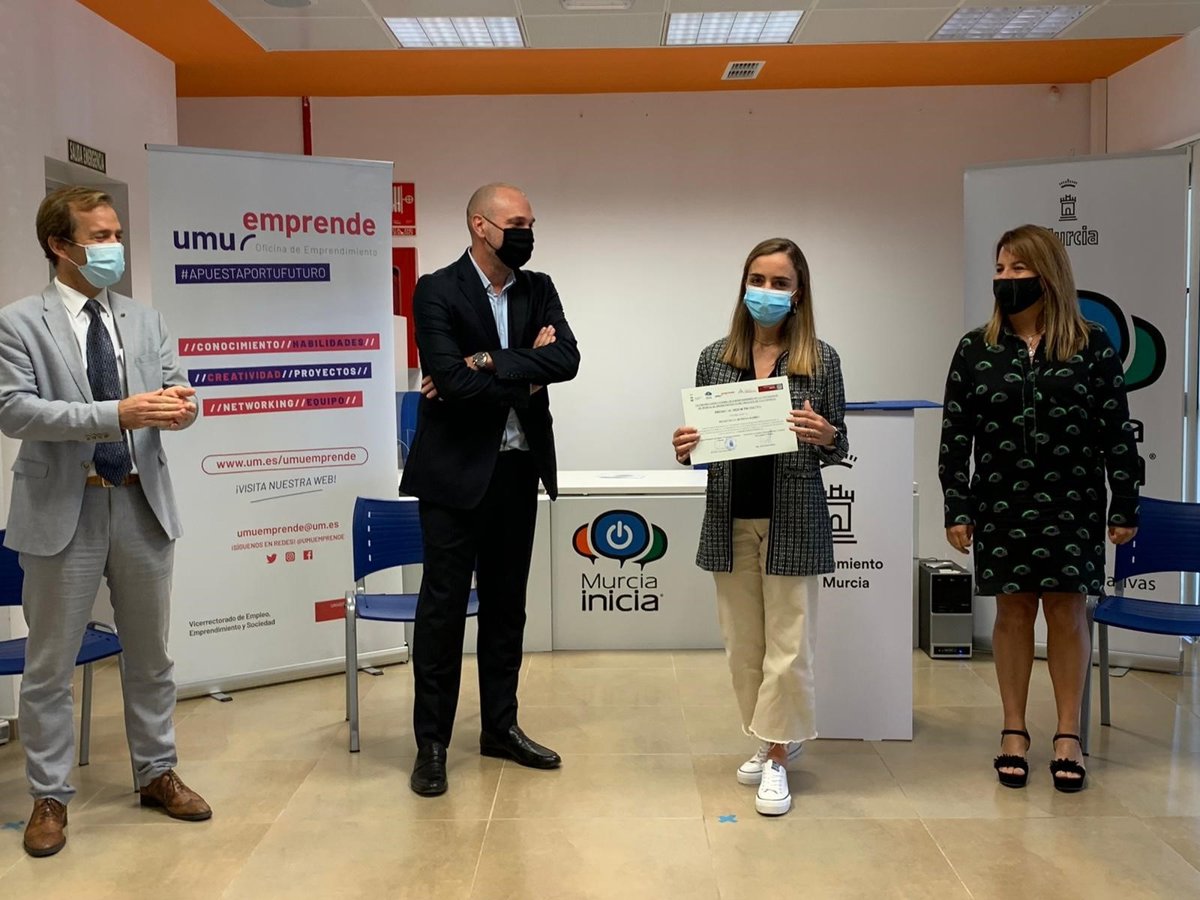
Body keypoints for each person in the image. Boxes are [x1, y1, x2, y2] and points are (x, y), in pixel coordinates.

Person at [0, 187, 209, 858]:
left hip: (142, 501)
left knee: (151, 656)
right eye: (99, 236)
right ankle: (49, 796)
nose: (114, 246)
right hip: (64, 508)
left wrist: (182, 407)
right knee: (49, 665)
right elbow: (15, 411)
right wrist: (114, 413)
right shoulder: (18, 323)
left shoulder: (144, 320)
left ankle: (157, 772)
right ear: (59, 246)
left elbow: (174, 391)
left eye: (117, 233)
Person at [939, 224, 1141, 793]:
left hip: (1074, 501)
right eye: (1000, 268)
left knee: (1068, 611)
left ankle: (1068, 734)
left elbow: (1116, 431)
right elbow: (956, 435)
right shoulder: (974, 348)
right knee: (1012, 612)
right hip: (1001, 500)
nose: (1006, 278)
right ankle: (1013, 731)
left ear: (1048, 273)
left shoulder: (1092, 344)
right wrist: (957, 505)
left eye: (1018, 268)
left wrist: (1124, 503)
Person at [400, 183, 580, 796]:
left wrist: (485, 361)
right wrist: (524, 369)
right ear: (481, 226)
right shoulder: (436, 289)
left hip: (517, 471)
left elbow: (567, 361)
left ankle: (500, 728)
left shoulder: (539, 288)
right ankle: (431, 744)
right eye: (517, 223)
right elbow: (448, 381)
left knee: (507, 609)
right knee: (443, 611)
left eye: (531, 223)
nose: (527, 233)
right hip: (452, 476)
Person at [672, 238, 848, 817]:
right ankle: (772, 734)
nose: (766, 292)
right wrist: (686, 446)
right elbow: (701, 445)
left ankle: (776, 756)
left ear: (798, 293)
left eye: (779, 283)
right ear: (743, 285)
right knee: (743, 646)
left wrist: (827, 436)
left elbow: (837, 444)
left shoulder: (821, 360)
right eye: (757, 280)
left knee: (789, 646)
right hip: (730, 517)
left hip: (793, 517)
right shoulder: (714, 358)